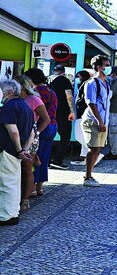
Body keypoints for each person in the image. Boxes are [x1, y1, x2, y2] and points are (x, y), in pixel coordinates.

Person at [0, 80, 33, 226]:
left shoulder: (9, 107)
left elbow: (13, 131)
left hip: (8, 149)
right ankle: (12, 213)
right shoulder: (25, 105)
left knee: (6, 183)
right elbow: (32, 132)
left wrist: (20, 150)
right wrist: (24, 149)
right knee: (12, 181)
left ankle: (6, 215)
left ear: (8, 92)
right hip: (16, 151)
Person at [14, 75, 49, 209]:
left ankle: (25, 199)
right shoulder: (15, 99)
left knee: (27, 169)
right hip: (16, 134)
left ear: (22, 86)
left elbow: (46, 119)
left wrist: (37, 133)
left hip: (29, 135)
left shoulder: (34, 99)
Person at [24, 68, 58, 198]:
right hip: (52, 126)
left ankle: (32, 187)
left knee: (34, 157)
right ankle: (40, 186)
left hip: (41, 127)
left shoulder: (37, 93)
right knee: (44, 157)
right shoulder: (51, 91)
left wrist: (36, 132)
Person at [81, 55, 112, 187]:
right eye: (107, 64)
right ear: (99, 67)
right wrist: (99, 121)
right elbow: (91, 103)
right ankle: (87, 177)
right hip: (93, 120)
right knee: (93, 148)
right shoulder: (92, 83)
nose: (109, 67)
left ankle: (90, 175)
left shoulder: (106, 83)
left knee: (98, 149)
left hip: (103, 120)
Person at [48, 65, 75, 169]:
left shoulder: (48, 79)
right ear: (63, 72)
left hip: (49, 111)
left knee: (49, 136)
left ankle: (47, 160)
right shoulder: (65, 80)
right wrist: (72, 111)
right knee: (65, 136)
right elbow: (69, 96)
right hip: (62, 111)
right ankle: (58, 160)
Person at [102, 70, 117, 160]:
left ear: (114, 74)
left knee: (114, 132)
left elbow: (110, 94)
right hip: (116, 110)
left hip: (116, 110)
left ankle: (116, 153)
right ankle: (114, 151)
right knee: (115, 131)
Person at [72, 70, 92, 163]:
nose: (78, 78)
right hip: (83, 113)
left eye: (79, 76)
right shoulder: (84, 84)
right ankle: (83, 155)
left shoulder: (85, 85)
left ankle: (92, 152)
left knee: (79, 135)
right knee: (83, 135)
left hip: (83, 114)